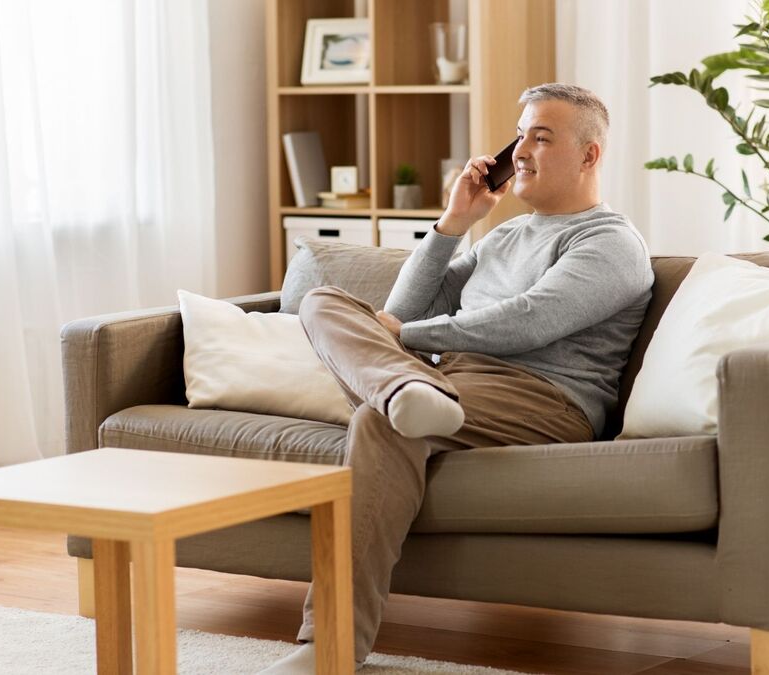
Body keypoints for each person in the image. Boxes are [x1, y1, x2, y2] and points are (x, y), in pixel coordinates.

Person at [260, 82, 654, 673]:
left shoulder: (611, 244)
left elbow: (529, 320)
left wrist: (406, 341)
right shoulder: (505, 234)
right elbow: (405, 306)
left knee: (379, 418)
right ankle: (404, 391)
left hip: (542, 397)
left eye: (541, 138)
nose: (520, 151)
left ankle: (329, 648)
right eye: (519, 136)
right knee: (322, 302)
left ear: (589, 155)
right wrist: (452, 222)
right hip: (450, 381)